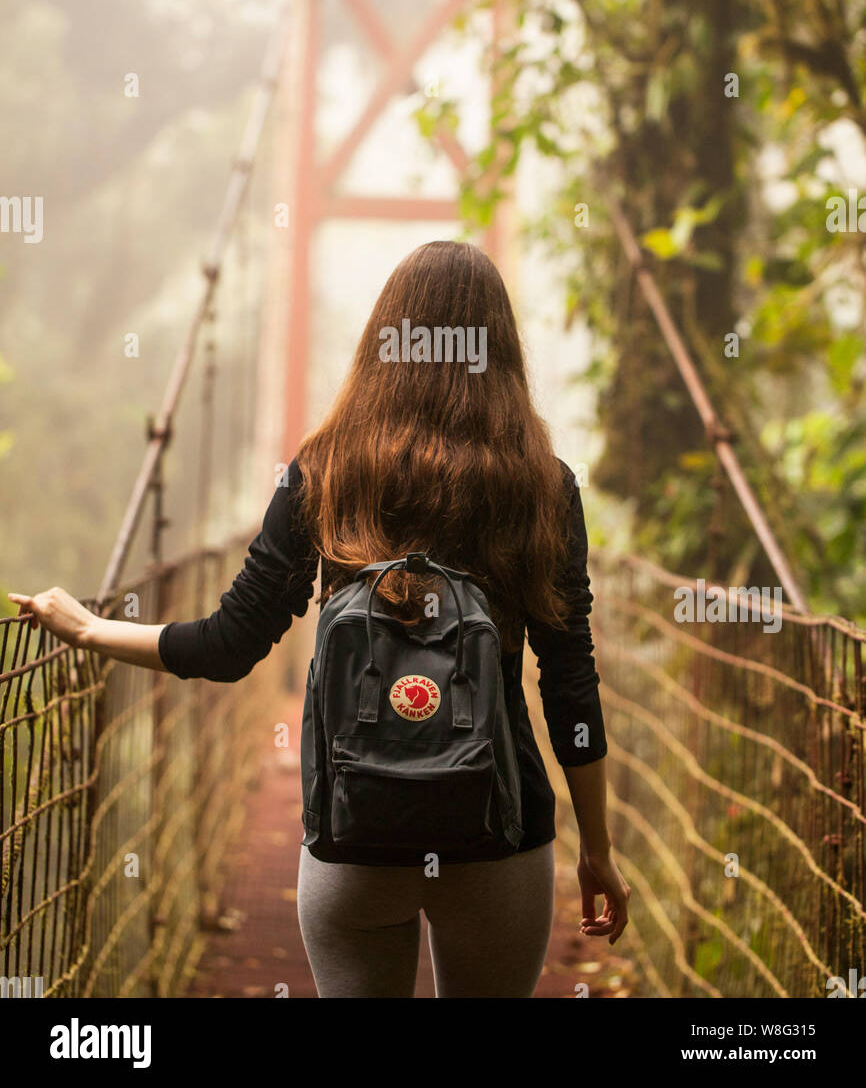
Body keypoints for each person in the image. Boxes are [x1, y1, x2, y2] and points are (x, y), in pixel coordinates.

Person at [11, 238, 629, 998]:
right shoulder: (543, 483)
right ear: (501, 350)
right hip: (497, 835)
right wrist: (597, 849)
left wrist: (90, 630)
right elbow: (571, 685)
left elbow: (230, 643)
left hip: (351, 832)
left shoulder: (324, 468)